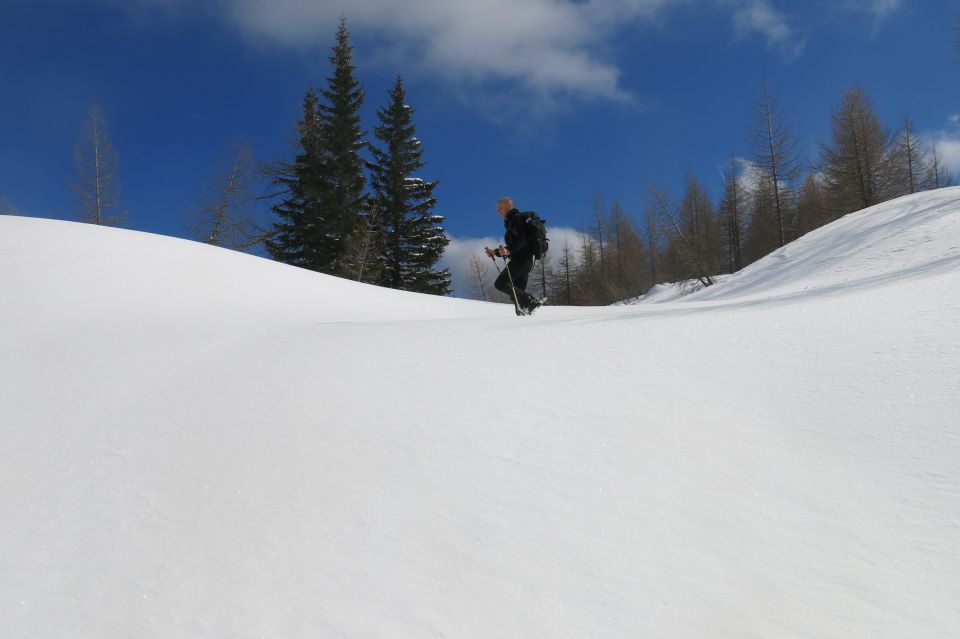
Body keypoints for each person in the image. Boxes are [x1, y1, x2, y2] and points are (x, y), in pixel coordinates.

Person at [484, 197, 542, 314]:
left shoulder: (515, 219)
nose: (498, 212)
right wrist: (494, 252)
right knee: (516, 297)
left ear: (506, 207)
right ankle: (525, 319)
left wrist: (508, 250)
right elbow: (514, 245)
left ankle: (531, 300)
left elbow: (521, 241)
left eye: (499, 208)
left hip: (521, 260)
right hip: (526, 261)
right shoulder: (513, 222)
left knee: (501, 284)